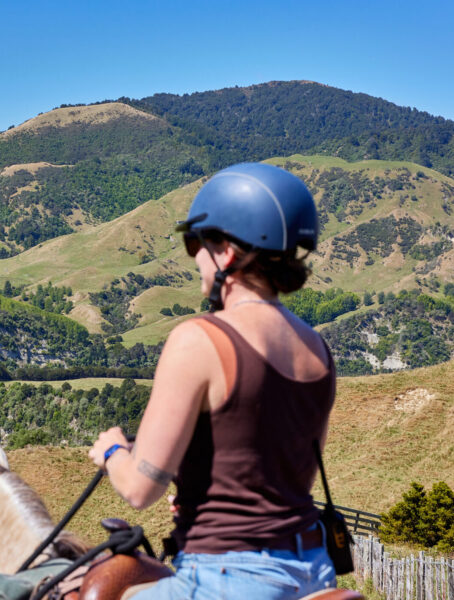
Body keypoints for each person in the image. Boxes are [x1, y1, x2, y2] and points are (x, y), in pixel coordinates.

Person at [88, 162, 337, 599]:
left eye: (194, 244)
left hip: (229, 574)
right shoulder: (317, 348)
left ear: (226, 252)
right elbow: (275, 473)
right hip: (315, 570)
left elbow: (139, 489)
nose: (194, 258)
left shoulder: (199, 340)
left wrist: (112, 451)